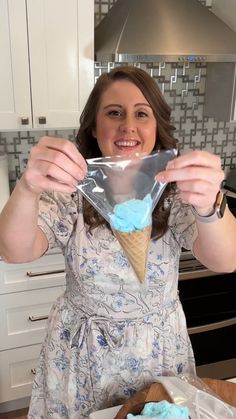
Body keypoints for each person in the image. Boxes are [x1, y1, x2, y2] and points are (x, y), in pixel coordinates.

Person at [0, 66, 235, 418]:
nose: (128, 126)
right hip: (82, 356)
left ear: (156, 128)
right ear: (94, 128)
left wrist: (208, 206)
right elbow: (14, 251)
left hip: (158, 352)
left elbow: (226, 260)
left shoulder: (176, 192)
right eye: (114, 112)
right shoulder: (71, 191)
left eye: (142, 113)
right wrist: (27, 187)